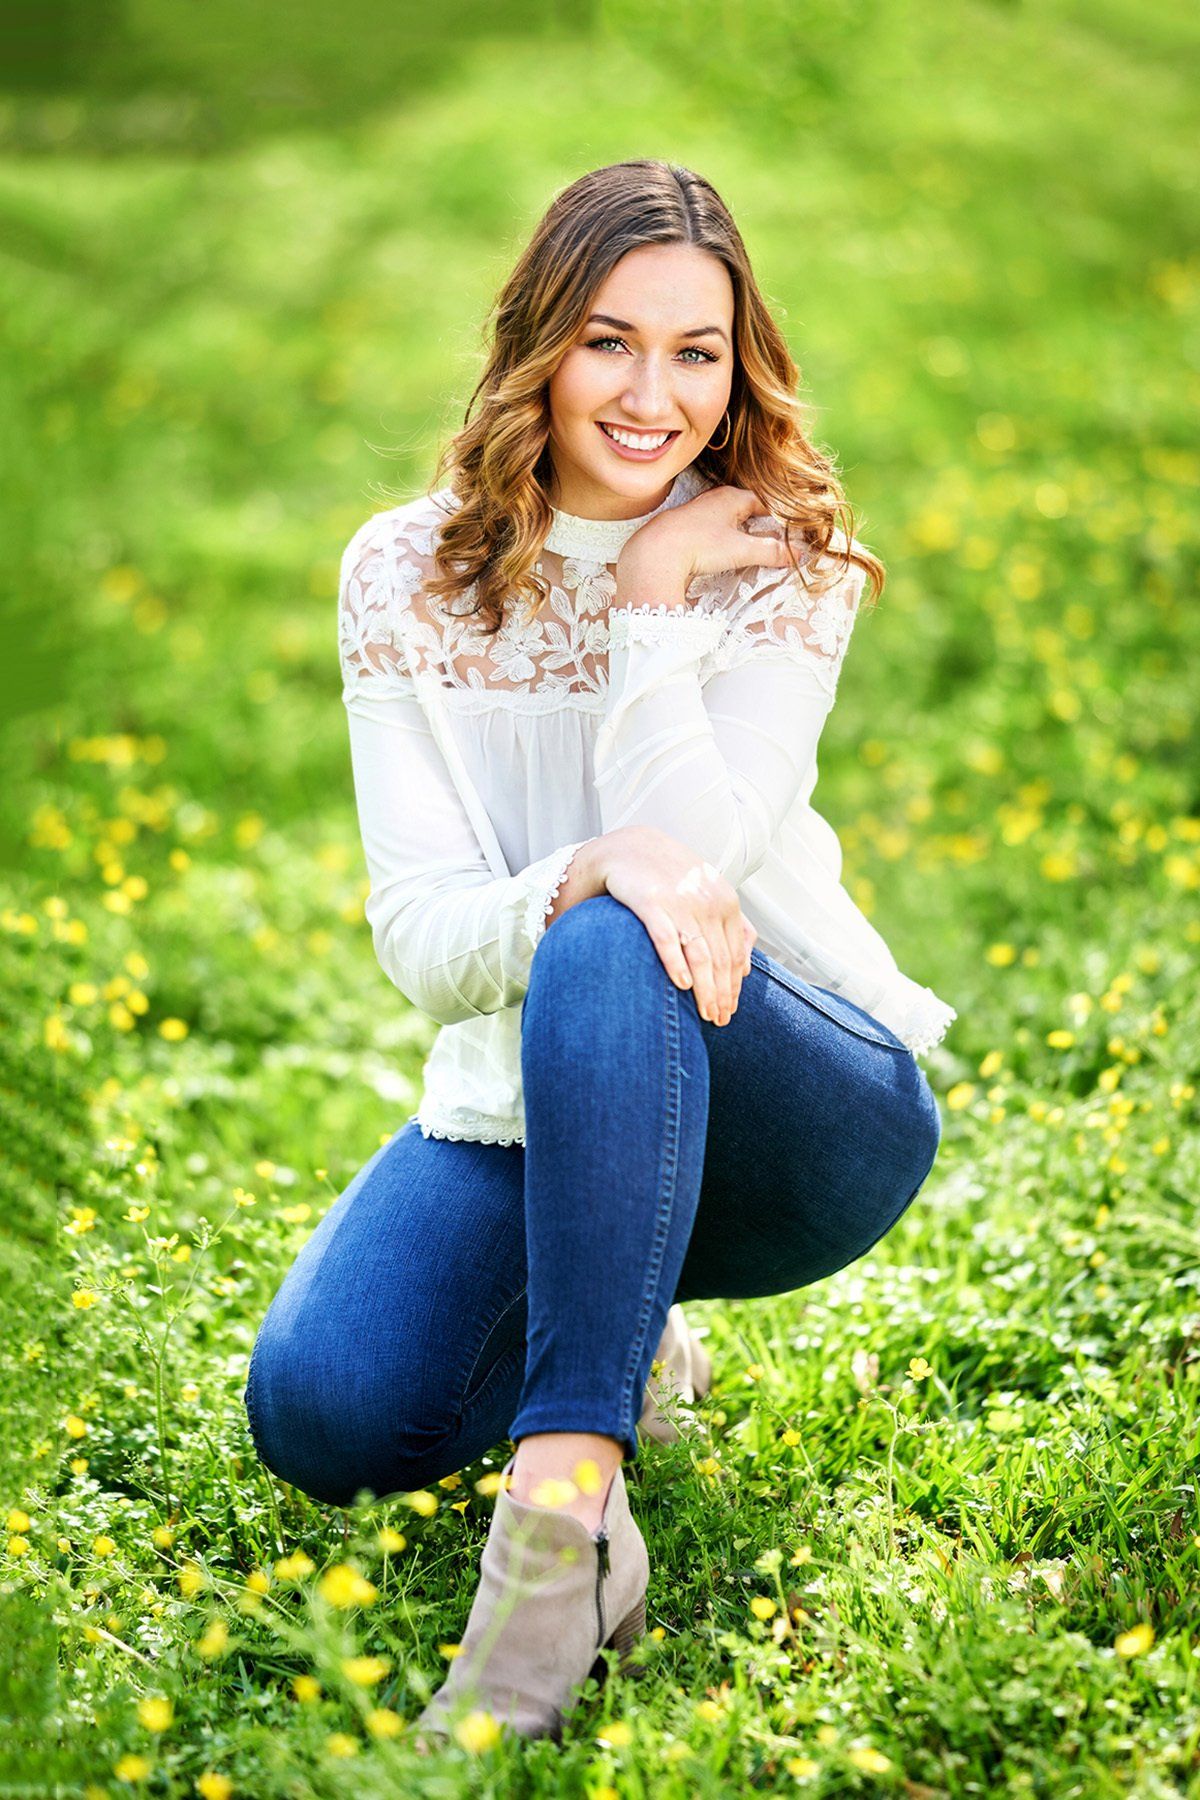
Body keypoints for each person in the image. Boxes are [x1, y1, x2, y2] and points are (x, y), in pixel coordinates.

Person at [243, 157, 955, 1748]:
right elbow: (426, 942)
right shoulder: (405, 575)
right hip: (536, 1089)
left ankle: (556, 1533)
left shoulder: (784, 563)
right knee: (324, 1412)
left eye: (697, 351)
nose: (654, 395)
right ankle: (620, 1332)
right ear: (538, 343)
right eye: (610, 342)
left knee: (621, 927)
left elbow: (697, 865)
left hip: (799, 1102)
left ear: (737, 362)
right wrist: (590, 866)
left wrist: (650, 593)